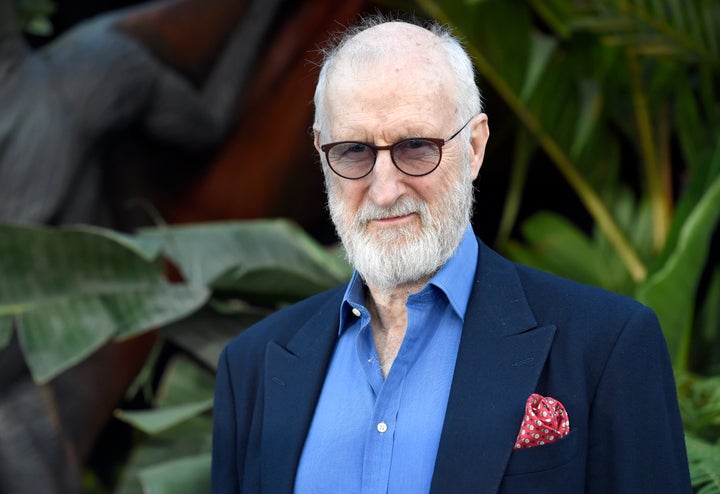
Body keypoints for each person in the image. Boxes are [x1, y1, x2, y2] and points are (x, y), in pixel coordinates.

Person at [211, 16, 691, 493]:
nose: (383, 190)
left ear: (476, 146)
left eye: (416, 147)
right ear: (322, 153)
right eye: (354, 151)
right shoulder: (251, 368)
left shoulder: (606, 347)